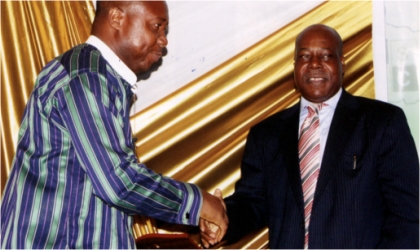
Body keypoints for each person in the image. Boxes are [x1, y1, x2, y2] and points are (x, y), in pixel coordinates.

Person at [1, 1, 227, 249]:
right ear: (117, 18)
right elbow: (119, 183)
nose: (163, 41)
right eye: (156, 27)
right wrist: (200, 204)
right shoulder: (87, 77)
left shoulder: (97, 78)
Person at [200, 24, 419, 249]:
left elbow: (407, 213)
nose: (314, 63)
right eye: (304, 56)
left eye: (325, 55)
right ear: (295, 67)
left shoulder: (382, 122)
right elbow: (252, 203)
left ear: (342, 63)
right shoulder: (266, 134)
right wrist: (222, 219)